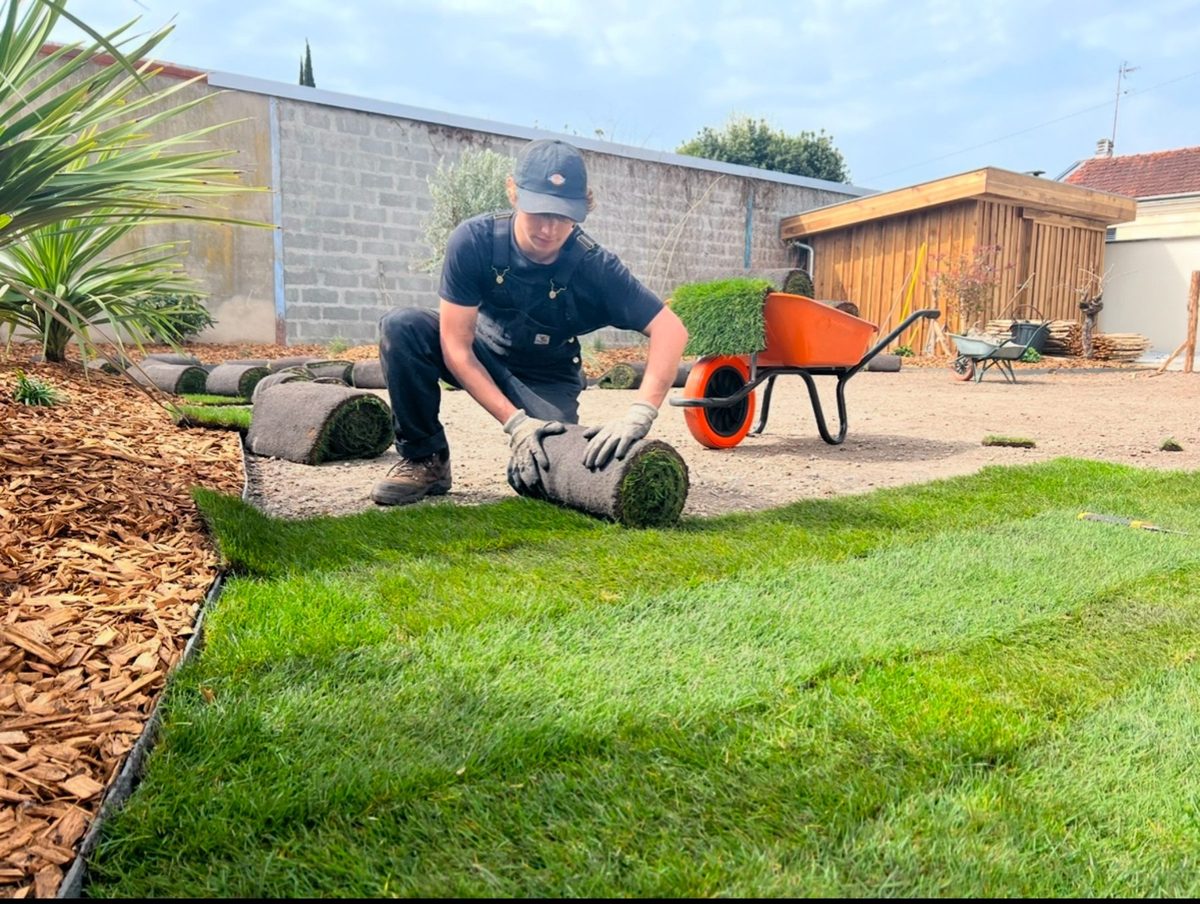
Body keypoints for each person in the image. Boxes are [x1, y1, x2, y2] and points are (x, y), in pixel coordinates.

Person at [372, 138, 688, 506]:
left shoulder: (595, 268)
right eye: (540, 211)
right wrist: (516, 423)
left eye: (563, 216)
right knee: (402, 326)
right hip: (481, 352)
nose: (550, 229)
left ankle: (542, 451)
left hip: (546, 375)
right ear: (513, 192)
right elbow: (456, 347)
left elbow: (670, 329)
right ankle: (425, 458)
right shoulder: (474, 242)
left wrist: (640, 413)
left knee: (541, 467)